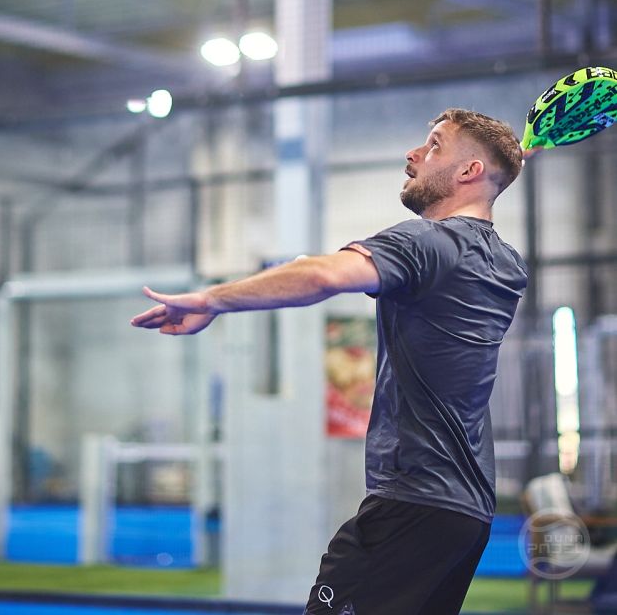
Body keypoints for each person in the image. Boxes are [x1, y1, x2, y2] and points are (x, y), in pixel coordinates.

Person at [131, 108, 538, 615]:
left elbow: (322, 275)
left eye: (435, 145)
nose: (413, 154)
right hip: (466, 513)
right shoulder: (505, 263)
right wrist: (501, 167)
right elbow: (483, 190)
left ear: (469, 171)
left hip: (411, 502)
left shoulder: (428, 242)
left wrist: (211, 299)